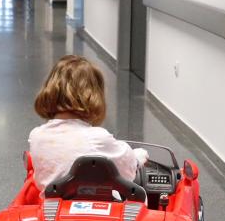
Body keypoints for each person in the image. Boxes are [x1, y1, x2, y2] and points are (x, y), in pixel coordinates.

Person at [28, 54, 149, 192]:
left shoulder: (37, 136)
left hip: (50, 209)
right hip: (95, 209)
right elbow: (127, 171)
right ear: (93, 95)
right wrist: (138, 158)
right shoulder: (97, 138)